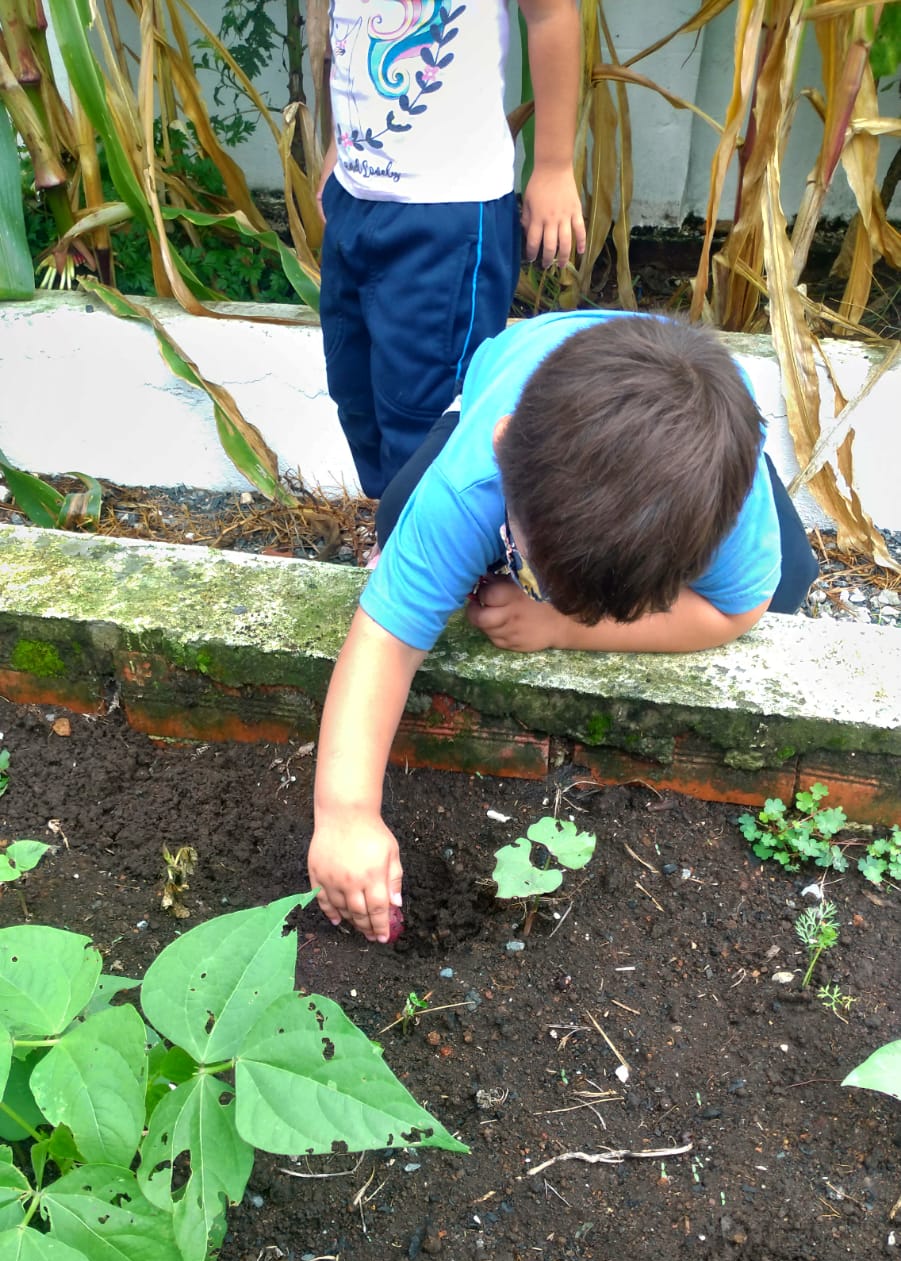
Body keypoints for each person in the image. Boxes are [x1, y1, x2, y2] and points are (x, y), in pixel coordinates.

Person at [306, 309, 819, 942]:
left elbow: (736, 611)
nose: (555, 599)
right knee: (399, 523)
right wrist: (346, 811)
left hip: (704, 428)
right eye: (540, 571)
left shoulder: (731, 503)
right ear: (503, 446)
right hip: (519, 365)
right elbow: (384, 640)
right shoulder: (473, 480)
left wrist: (559, 626)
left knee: (787, 587)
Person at [317, 1, 585, 500]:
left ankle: (425, 548)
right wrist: (342, 143)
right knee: (354, 389)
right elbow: (349, 30)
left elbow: (551, 15)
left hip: (448, 211)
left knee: (426, 410)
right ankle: (396, 524)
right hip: (355, 199)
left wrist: (552, 165)